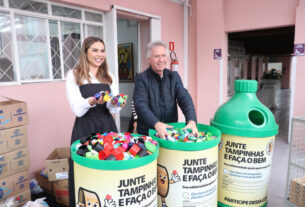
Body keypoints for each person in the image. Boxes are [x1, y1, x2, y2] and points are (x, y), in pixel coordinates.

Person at [65, 36, 123, 206]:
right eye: (95, 50)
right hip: (85, 127)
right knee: (86, 170)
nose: (100, 54)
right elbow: (77, 109)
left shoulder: (109, 75)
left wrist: (116, 102)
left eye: (102, 50)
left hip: (107, 126)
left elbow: (114, 110)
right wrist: (92, 101)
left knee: (110, 166)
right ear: (85, 52)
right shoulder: (74, 75)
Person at [133, 41, 198, 138]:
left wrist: (191, 120)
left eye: (163, 56)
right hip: (148, 132)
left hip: (169, 132)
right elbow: (140, 105)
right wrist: (156, 123)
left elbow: (185, 98)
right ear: (149, 59)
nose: (161, 60)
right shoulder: (141, 78)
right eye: (156, 56)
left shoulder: (174, 77)